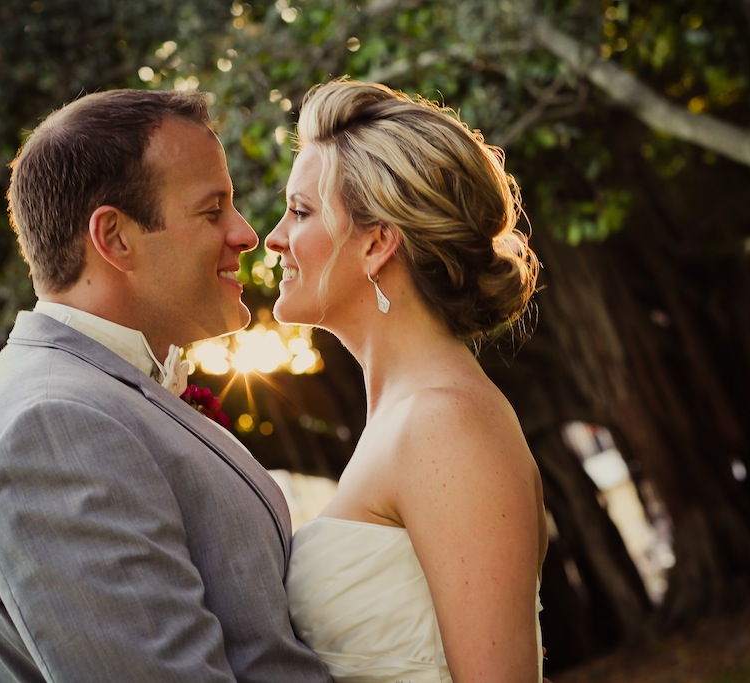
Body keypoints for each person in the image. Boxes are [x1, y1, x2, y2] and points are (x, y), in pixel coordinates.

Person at [0, 89, 332, 682]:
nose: (247, 234)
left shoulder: (99, 394)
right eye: (212, 210)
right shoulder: (52, 426)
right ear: (115, 238)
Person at [267, 79, 548, 682]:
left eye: (300, 211)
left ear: (377, 243)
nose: (274, 238)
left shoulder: (445, 425)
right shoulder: (402, 417)